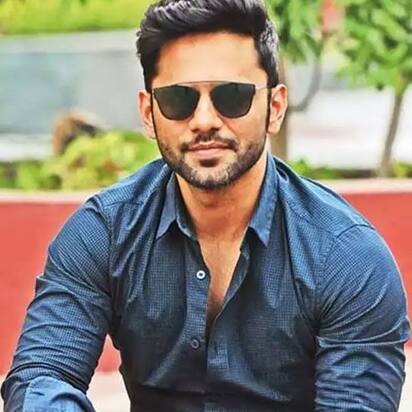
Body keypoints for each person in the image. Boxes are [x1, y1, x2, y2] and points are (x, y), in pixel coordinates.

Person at [1, 0, 410, 411]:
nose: (204, 120)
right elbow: (41, 376)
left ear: (275, 107)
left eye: (232, 96)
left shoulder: (346, 257)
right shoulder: (105, 233)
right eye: (179, 100)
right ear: (148, 113)